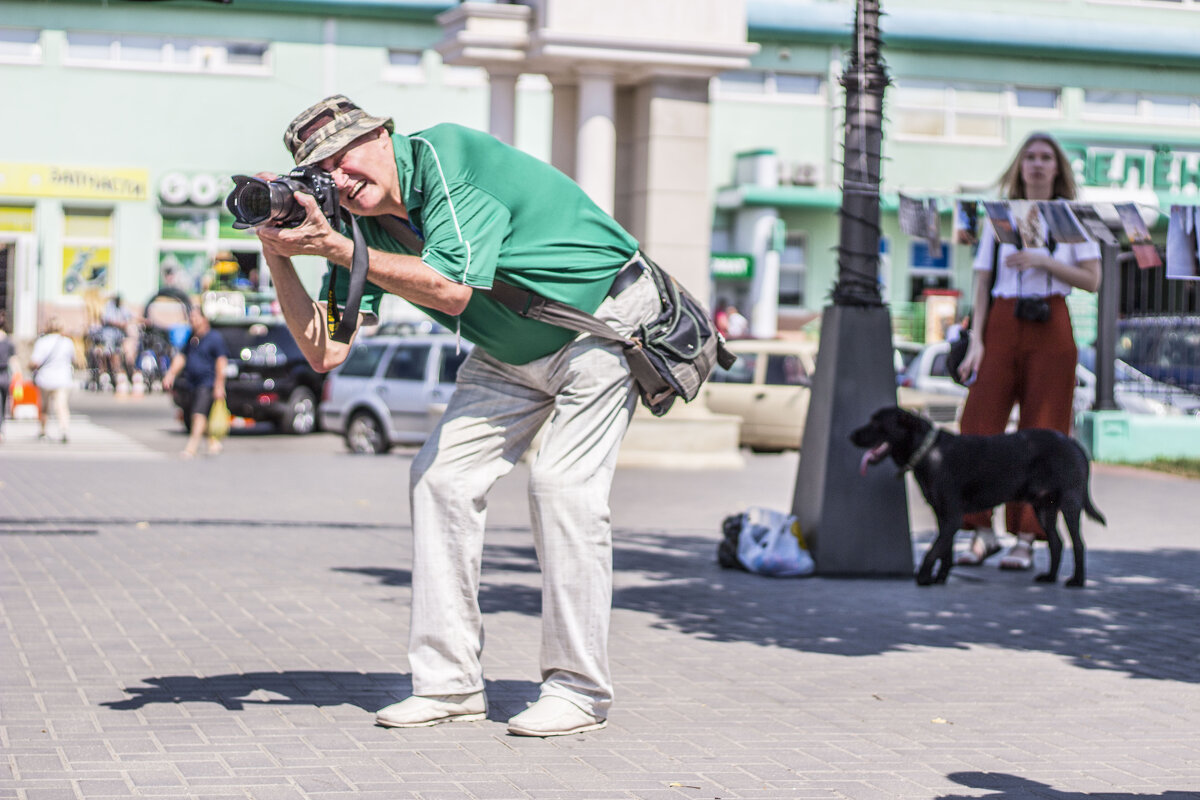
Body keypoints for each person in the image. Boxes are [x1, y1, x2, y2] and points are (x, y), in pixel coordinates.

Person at [252, 95, 667, 737]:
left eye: (345, 156)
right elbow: (326, 350)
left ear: (383, 135)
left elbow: (450, 289)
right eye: (322, 170)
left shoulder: (448, 156)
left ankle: (579, 691)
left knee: (562, 489)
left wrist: (334, 248)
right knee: (440, 479)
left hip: (600, 325)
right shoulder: (355, 224)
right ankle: (449, 686)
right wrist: (277, 250)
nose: (339, 177)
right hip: (509, 351)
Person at [953, 132, 1101, 570]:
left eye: (1046, 157)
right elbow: (982, 279)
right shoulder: (999, 214)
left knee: (1044, 432)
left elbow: (1092, 280)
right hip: (1002, 320)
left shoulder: (1071, 218)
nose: (1037, 164)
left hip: (1051, 323)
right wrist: (976, 340)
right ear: (1019, 166)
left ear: (1058, 168)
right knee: (978, 424)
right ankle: (981, 532)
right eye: (1030, 157)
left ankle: (1028, 537)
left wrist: (1043, 260)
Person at [162, 306, 229, 459]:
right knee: (202, 414)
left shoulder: (214, 338)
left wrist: (219, 385)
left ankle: (191, 447)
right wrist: (171, 374)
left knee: (198, 415)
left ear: (204, 319)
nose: (192, 321)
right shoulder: (192, 339)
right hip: (192, 382)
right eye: (191, 318)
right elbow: (182, 357)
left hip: (208, 382)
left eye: (195, 317)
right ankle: (213, 442)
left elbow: (221, 362)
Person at [30, 317, 77, 443]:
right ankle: (64, 429)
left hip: (45, 378)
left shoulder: (42, 342)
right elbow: (74, 359)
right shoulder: (67, 342)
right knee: (61, 406)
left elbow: (35, 361)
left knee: (44, 406)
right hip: (63, 378)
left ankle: (43, 431)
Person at [0, 310, 18, 443]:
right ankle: (1, 431)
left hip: (3, 374)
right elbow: (14, 360)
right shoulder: (8, 341)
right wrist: (18, 375)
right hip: (5, 375)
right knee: (3, 404)